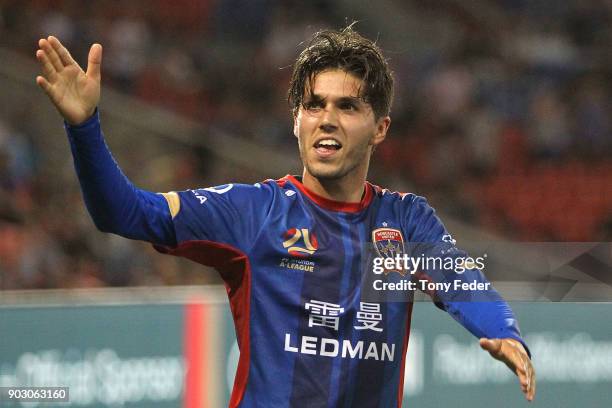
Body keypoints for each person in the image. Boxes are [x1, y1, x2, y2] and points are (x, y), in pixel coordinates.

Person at [35, 26, 535, 407]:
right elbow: (124, 213)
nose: (327, 120)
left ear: (380, 127)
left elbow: (462, 281)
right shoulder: (253, 213)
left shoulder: (405, 221)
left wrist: (505, 331)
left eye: (348, 106)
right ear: (296, 118)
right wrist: (84, 127)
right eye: (313, 105)